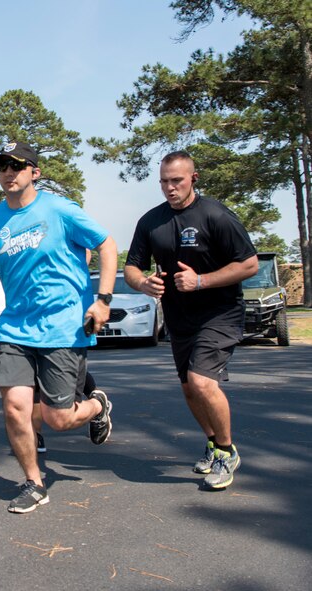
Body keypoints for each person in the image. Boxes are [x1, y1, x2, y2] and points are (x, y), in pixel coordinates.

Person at [0, 140, 117, 514]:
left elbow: (107, 245)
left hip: (64, 326)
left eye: (16, 166)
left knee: (57, 418)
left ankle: (97, 404)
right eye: (2, 167)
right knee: (16, 408)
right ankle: (34, 482)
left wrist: (103, 299)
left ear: (35, 171)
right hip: (16, 329)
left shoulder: (60, 209)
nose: (8, 173)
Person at [124, 150, 257, 490]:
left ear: (193, 179)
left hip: (220, 313)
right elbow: (132, 267)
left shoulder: (216, 215)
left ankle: (227, 453)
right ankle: (213, 443)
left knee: (201, 382)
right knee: (188, 388)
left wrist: (201, 280)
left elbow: (249, 264)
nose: (170, 188)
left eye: (177, 180)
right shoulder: (150, 221)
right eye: (164, 182)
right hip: (179, 318)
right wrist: (143, 282)